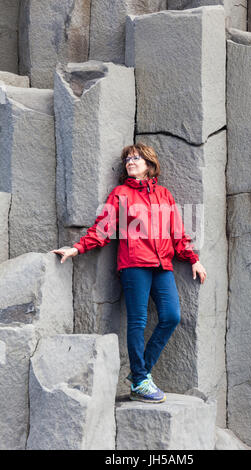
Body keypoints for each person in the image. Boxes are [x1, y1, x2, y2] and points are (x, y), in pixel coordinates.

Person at [51, 142, 207, 404]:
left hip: (162, 265)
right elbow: (102, 230)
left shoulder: (164, 195)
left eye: (136, 158)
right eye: (127, 159)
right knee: (138, 321)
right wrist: (76, 249)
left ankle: (139, 375)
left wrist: (193, 259)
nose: (130, 162)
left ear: (149, 163)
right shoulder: (120, 194)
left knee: (171, 316)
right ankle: (141, 379)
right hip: (134, 264)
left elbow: (177, 232)